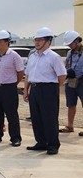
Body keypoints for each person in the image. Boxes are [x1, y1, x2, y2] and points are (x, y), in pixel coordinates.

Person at [24, 27, 67, 155]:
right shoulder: (32, 56)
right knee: (36, 117)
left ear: (48, 41)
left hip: (48, 88)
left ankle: (53, 144)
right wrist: (26, 90)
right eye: (35, 40)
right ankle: (41, 142)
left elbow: (62, 75)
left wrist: (53, 88)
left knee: (50, 118)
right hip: (35, 88)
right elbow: (28, 74)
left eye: (40, 40)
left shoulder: (54, 57)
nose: (37, 42)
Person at [0, 30, 24, 147]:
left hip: (9, 88)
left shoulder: (14, 56)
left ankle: (15, 137)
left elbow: (20, 72)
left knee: (11, 114)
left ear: (7, 42)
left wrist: (13, 83)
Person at [59, 31, 83, 136]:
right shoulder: (70, 53)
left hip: (82, 81)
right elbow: (67, 65)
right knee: (71, 104)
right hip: (71, 82)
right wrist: (67, 72)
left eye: (71, 43)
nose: (69, 45)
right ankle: (70, 125)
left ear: (77, 41)